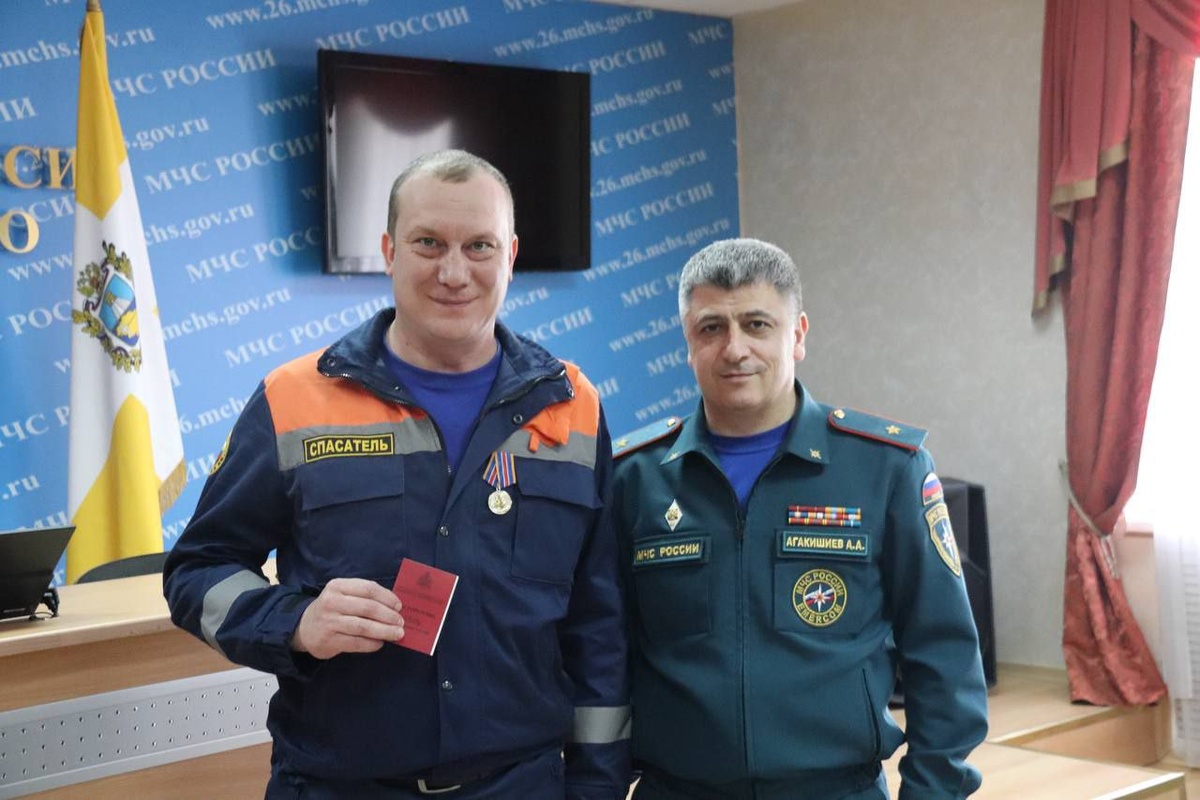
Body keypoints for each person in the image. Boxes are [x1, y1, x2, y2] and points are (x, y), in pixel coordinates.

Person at [164, 149, 630, 799]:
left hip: (521, 784)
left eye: (479, 246)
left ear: (511, 255)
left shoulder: (572, 406)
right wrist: (293, 622)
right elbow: (198, 569)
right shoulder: (293, 400)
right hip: (336, 786)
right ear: (389, 251)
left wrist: (597, 786)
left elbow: (598, 623)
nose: (453, 272)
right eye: (428, 243)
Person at [612, 238, 987, 799]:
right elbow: (603, 653)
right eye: (711, 328)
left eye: (757, 325)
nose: (735, 349)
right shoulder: (633, 478)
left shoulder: (886, 469)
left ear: (798, 335)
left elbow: (945, 657)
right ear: (688, 342)